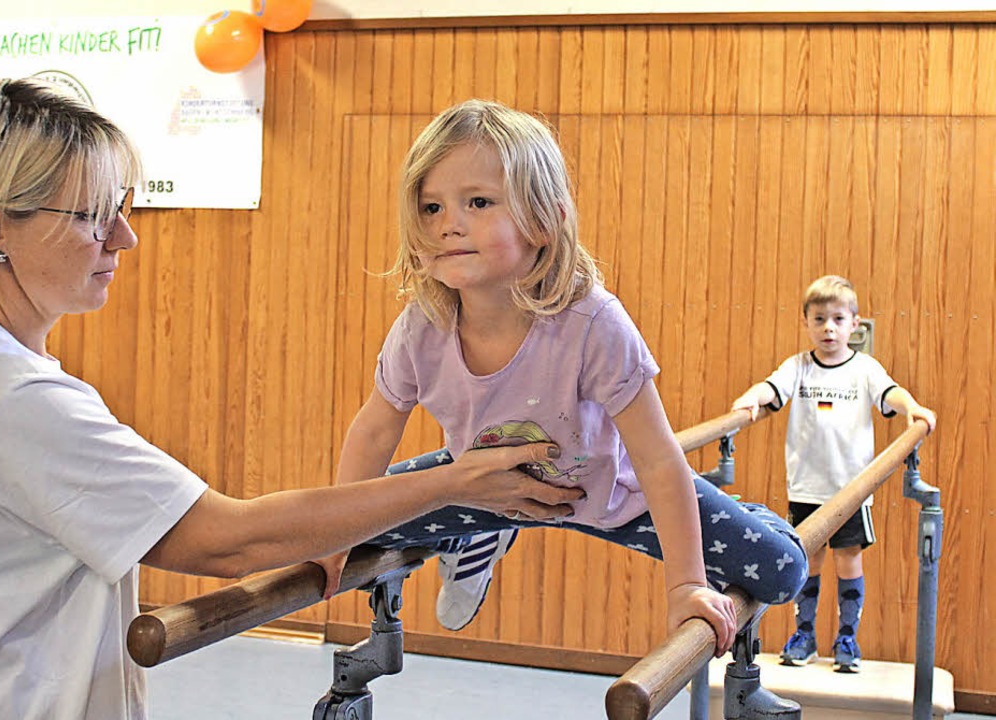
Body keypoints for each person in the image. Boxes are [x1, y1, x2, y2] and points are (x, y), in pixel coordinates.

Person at [0, 76, 585, 720]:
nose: (125, 238)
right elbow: (232, 541)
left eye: (124, 210)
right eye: (94, 216)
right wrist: (457, 484)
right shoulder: (13, 399)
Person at [315, 99, 809, 653]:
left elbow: (656, 457)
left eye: (478, 202)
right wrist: (337, 536)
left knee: (783, 572)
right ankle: (484, 532)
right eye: (430, 208)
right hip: (478, 483)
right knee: (350, 525)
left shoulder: (591, 323)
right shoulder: (422, 326)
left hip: (612, 494)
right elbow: (374, 431)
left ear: (545, 219)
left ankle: (752, 515)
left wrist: (688, 582)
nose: (449, 225)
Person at [731, 274, 936, 673]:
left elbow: (892, 394)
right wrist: (748, 400)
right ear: (806, 322)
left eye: (838, 319)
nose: (828, 327)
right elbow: (771, 389)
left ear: (854, 325)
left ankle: (847, 639)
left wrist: (912, 407)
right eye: (820, 318)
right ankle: (804, 634)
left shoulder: (865, 369)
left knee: (848, 562)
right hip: (806, 487)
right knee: (807, 561)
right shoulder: (799, 367)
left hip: (850, 492)